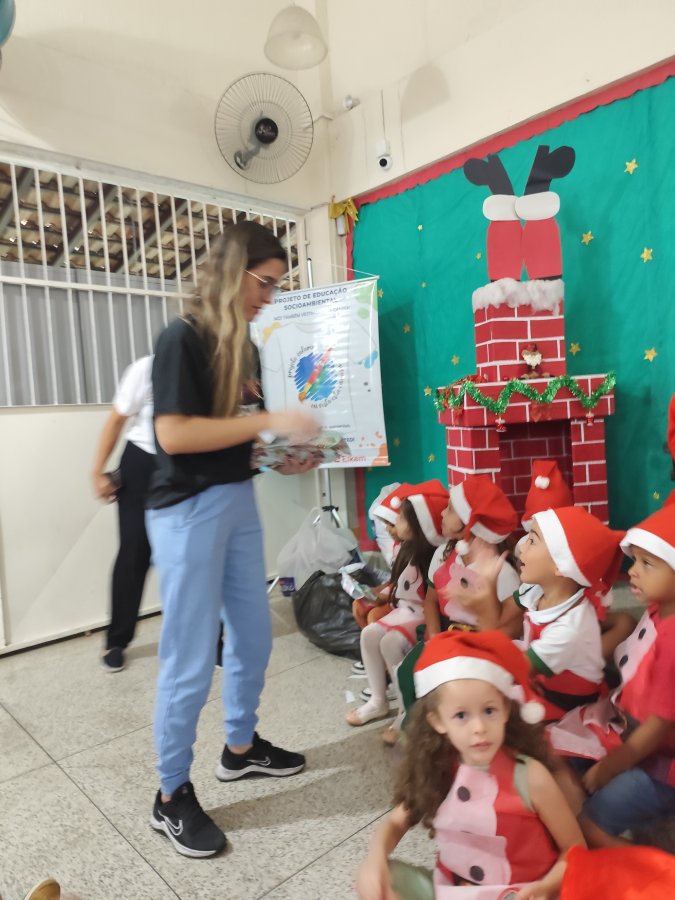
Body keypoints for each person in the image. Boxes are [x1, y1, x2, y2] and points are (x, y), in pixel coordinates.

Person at [145, 222, 320, 859]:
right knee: (190, 656)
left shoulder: (243, 345)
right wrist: (270, 420)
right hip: (186, 512)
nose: (269, 298)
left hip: (237, 500)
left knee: (252, 635)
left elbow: (236, 434)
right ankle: (170, 794)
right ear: (234, 272)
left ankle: (240, 748)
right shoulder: (182, 339)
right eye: (265, 284)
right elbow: (175, 435)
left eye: (276, 287)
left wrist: (279, 456)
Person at [355, 629, 584, 899]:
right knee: (379, 881)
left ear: (505, 710)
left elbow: (574, 850)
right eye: (461, 715)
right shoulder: (436, 767)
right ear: (438, 722)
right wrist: (376, 859)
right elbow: (395, 822)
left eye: (489, 711)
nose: (479, 728)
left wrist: (545, 887)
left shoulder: (531, 776)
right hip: (453, 890)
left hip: (522, 892)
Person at [548, 493, 675, 848]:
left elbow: (658, 727)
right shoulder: (660, 610)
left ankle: (657, 872)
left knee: (587, 827)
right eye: (635, 560)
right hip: (639, 737)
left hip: (663, 768)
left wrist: (613, 765)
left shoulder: (672, 642)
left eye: (648, 564)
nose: (632, 570)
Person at [458, 506, 625, 720]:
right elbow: (499, 618)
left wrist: (481, 605)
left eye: (532, 540)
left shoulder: (568, 630)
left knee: (491, 711)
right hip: (536, 675)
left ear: (561, 565)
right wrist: (488, 587)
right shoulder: (536, 590)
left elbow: (511, 668)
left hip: (563, 704)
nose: (521, 547)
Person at [345, 481, 448, 738]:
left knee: (390, 643)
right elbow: (399, 584)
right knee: (369, 634)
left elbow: (429, 598)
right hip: (404, 611)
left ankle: (405, 711)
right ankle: (378, 700)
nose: (392, 525)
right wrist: (378, 596)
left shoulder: (434, 555)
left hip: (421, 615)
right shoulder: (405, 550)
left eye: (400, 518)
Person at [91, 354, 155, 673]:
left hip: (191, 467)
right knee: (134, 552)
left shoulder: (212, 370)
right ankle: (116, 640)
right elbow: (117, 420)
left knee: (199, 555)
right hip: (143, 463)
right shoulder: (147, 368)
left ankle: (213, 638)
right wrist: (97, 471)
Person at [425, 474, 520, 639]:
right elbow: (431, 600)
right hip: (443, 640)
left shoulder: (502, 573)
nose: (442, 513)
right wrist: (434, 637)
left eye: (450, 509)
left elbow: (510, 631)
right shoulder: (442, 554)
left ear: (469, 523)